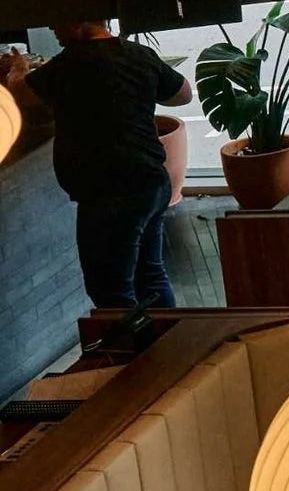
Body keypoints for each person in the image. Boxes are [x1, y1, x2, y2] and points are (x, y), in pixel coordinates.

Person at [3, 22, 191, 313]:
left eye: (58, 17)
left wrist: (17, 67)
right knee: (150, 277)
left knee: (111, 293)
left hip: (109, 195)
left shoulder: (69, 65)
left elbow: (20, 93)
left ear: (78, 20)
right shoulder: (138, 55)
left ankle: (137, 355)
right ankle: (171, 348)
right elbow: (183, 95)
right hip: (151, 182)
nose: (53, 26)